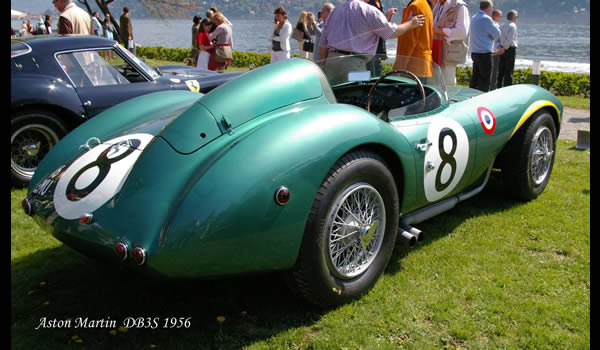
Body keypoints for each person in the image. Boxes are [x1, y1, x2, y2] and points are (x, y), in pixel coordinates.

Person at [319, 0, 424, 85]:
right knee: (358, 96)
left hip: (332, 63)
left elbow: (323, 43)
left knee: (334, 100)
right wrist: (411, 23)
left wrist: (323, 66)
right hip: (355, 65)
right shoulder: (369, 10)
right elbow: (391, 33)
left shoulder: (335, 12)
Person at [432, 0, 471, 86]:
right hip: (436, 53)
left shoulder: (460, 7)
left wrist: (440, 31)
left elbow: (462, 32)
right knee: (434, 84)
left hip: (448, 55)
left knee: (448, 85)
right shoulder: (437, 5)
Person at [393, 0, 433, 78]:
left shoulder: (415, 6)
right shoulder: (425, 5)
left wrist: (399, 68)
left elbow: (408, 41)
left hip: (412, 66)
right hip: (424, 64)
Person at [469, 0, 500, 92]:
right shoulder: (486, 19)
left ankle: (470, 94)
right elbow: (497, 33)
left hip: (474, 51)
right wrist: (492, 36)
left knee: (475, 77)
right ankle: (482, 96)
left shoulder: (473, 18)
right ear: (489, 8)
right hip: (485, 52)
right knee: (485, 79)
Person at [367, 0, 396, 76]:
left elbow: (379, 25)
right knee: (370, 77)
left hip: (378, 48)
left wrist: (387, 18)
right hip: (370, 50)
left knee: (377, 75)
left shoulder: (378, 2)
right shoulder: (367, 4)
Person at [496, 10, 518, 88]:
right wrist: (505, 48)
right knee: (509, 71)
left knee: (501, 70)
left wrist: (500, 47)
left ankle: (498, 86)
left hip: (501, 48)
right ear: (514, 17)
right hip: (510, 49)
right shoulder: (513, 26)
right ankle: (507, 87)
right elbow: (510, 39)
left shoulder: (502, 26)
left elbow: (497, 38)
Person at [489, 9, 502, 90]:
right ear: (496, 16)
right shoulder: (496, 25)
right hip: (495, 51)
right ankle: (492, 88)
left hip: (488, 49)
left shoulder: (488, 24)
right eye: (500, 16)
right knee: (493, 72)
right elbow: (494, 36)